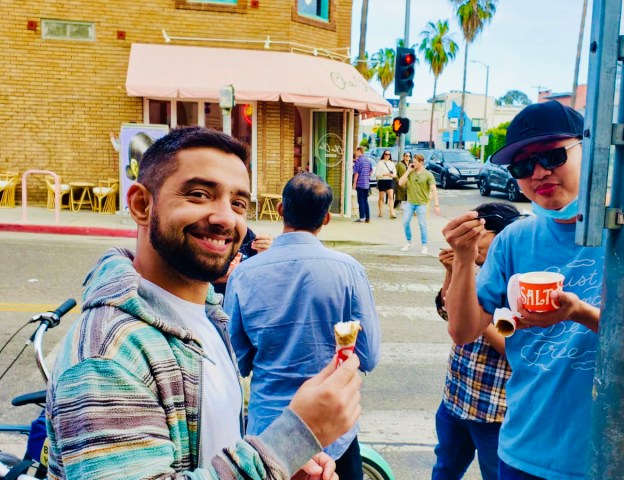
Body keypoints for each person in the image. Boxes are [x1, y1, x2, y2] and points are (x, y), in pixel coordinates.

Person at [46, 126, 361, 480]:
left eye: (238, 203)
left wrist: (280, 467)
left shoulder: (208, 315)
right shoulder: (107, 355)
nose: (226, 217)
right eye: (199, 194)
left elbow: (211, 450)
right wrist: (290, 439)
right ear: (141, 204)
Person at [442, 101, 624, 480]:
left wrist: (582, 315)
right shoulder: (514, 239)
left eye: (552, 156)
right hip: (521, 453)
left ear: (591, 150)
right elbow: (464, 330)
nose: (538, 172)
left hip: (614, 460)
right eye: (522, 166)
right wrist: (461, 258)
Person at [226, 172, 381, 480]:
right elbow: (370, 356)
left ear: (281, 210)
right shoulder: (349, 271)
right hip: (334, 434)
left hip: (269, 436)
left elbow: (236, 362)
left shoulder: (244, 274)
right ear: (327, 218)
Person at [432, 202, 522, 480]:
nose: (473, 244)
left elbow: (513, 349)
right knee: (444, 470)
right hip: (456, 399)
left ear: (500, 236)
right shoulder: (475, 271)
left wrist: (475, 318)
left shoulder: (516, 282)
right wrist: (454, 271)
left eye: (478, 235)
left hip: (493, 411)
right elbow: (447, 313)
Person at [398, 153, 440, 255]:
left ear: (421, 162)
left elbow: (434, 189)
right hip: (410, 202)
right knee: (405, 222)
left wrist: (436, 205)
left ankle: (424, 245)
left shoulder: (428, 174)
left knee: (422, 224)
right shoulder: (411, 172)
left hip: (422, 203)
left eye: (415, 162)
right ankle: (409, 242)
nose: (413, 163)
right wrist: (408, 170)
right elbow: (400, 183)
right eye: (413, 161)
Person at [212, 228, 273, 296]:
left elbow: (258, 263)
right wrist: (213, 279)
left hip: (243, 294)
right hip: (214, 296)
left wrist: (265, 249)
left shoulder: (245, 233)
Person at [352, 146, 372, 223]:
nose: (355, 153)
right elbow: (370, 171)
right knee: (365, 200)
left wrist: (354, 183)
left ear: (359, 151)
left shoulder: (358, 161)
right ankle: (368, 218)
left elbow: (356, 174)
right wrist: (366, 176)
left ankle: (362, 218)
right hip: (366, 184)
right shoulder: (368, 161)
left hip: (360, 184)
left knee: (360, 201)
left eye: (356, 151)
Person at [375, 150, 397, 219]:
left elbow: (395, 174)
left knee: (391, 196)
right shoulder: (380, 163)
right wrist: (384, 174)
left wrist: (391, 175)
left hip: (389, 180)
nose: (387, 155)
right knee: (381, 197)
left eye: (389, 154)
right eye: (386, 154)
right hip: (382, 180)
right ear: (383, 155)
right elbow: (376, 174)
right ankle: (380, 211)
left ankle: (391, 212)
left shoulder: (392, 163)